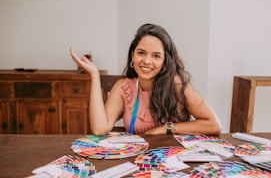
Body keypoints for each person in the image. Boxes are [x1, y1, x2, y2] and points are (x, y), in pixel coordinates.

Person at [70, 23, 222, 135]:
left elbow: (214, 125)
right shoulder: (124, 87)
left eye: (156, 56)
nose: (147, 61)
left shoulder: (175, 84)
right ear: (132, 55)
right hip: (137, 162)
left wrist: (164, 128)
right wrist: (95, 76)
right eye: (141, 53)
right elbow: (99, 128)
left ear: (165, 61)